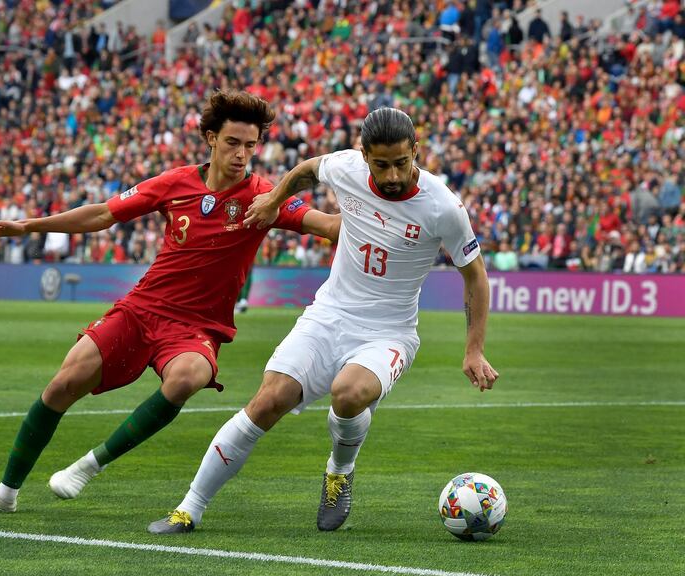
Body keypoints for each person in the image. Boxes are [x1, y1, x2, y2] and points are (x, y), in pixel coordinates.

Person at [0, 90, 340, 515]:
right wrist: (27, 226)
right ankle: (4, 494)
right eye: (232, 143)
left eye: (250, 145)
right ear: (210, 139)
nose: (242, 154)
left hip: (196, 327)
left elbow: (327, 227)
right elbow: (103, 214)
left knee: (188, 376)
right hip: (143, 308)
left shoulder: (265, 196)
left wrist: (383, 206)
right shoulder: (175, 183)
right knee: (63, 382)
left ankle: (88, 465)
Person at [148, 107, 499, 534]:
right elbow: (307, 170)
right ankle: (188, 509)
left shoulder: (443, 206)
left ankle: (339, 471)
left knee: (349, 393)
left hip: (389, 333)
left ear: (416, 152)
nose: (391, 176)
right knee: (268, 400)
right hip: (328, 314)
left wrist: (474, 349)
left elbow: (476, 278)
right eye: (381, 164)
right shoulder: (346, 167)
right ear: (364, 155)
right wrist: (275, 200)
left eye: (401, 164)